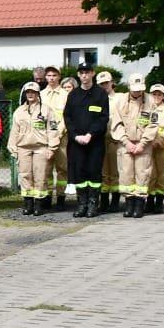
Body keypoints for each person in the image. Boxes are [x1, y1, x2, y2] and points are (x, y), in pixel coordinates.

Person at [62, 61, 108, 217]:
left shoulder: (100, 94)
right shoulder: (73, 95)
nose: (84, 75)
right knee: (79, 172)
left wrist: (90, 134)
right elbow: (67, 117)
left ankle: (93, 204)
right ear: (78, 75)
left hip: (94, 142)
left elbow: (103, 118)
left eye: (87, 72)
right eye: (81, 73)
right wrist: (75, 135)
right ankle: (82, 204)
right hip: (77, 142)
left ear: (93, 73)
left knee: (94, 173)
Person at [110, 75, 159, 218]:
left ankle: (139, 205)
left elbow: (153, 124)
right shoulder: (120, 101)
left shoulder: (151, 101)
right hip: (125, 144)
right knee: (126, 174)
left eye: (140, 90)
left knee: (142, 174)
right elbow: (116, 124)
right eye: (135, 90)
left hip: (144, 145)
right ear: (129, 87)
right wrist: (126, 142)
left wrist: (143, 143)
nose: (138, 93)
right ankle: (129, 204)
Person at [11, 82, 55, 215]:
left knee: (40, 175)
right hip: (23, 148)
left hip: (41, 147)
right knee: (25, 175)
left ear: (38, 94)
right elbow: (14, 131)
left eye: (33, 92)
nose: (30, 94)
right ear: (25, 94)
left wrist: (52, 147)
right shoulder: (19, 111)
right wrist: (13, 148)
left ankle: (38, 205)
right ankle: (28, 204)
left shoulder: (46, 110)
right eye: (28, 92)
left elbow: (53, 129)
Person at [40, 65, 69, 208]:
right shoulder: (41, 94)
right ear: (45, 77)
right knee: (46, 168)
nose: (51, 78)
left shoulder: (65, 94)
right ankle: (47, 195)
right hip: (45, 138)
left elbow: (67, 116)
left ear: (59, 77)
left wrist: (59, 133)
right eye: (49, 75)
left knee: (62, 168)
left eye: (54, 75)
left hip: (62, 137)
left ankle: (61, 196)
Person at [94, 71, 120, 212]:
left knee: (115, 171)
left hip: (115, 139)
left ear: (112, 83)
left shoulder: (120, 99)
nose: (104, 86)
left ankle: (115, 201)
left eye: (106, 83)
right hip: (100, 139)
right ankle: (103, 201)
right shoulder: (95, 99)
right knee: (102, 171)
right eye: (101, 84)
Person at [146, 83, 164, 213]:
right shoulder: (145, 108)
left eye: (159, 94)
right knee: (149, 174)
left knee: (161, 174)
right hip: (146, 146)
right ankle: (149, 201)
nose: (156, 96)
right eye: (154, 94)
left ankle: (159, 202)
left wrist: (159, 141)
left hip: (162, 146)